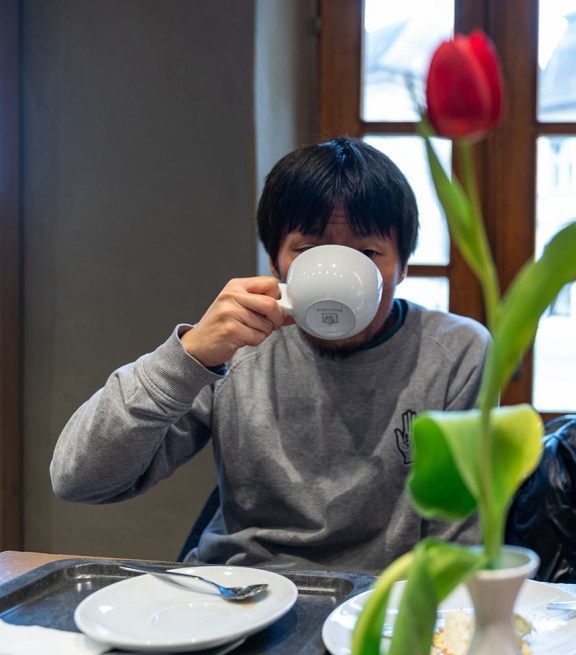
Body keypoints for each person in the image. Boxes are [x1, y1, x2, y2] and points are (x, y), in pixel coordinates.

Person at [51, 137, 490, 574]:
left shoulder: (455, 353)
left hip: (380, 601)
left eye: (368, 253)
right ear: (276, 262)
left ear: (403, 265)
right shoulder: (235, 345)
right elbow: (78, 480)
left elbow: (459, 545)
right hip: (238, 591)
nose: (339, 274)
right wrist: (188, 357)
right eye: (309, 250)